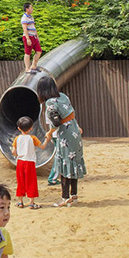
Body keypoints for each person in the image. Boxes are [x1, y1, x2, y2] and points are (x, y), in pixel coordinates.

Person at [37, 76, 86, 207]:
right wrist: (77, 126)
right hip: (74, 130)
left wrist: (49, 133)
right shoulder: (63, 96)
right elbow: (71, 114)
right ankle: (74, 195)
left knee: (64, 164)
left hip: (65, 134)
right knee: (73, 162)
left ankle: (65, 197)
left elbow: (56, 122)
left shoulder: (50, 103)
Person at [11, 116, 48, 209]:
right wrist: (47, 139)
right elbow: (42, 147)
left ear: (19, 128)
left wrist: (17, 155)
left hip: (20, 162)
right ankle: (31, 203)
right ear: (31, 128)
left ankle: (20, 202)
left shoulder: (17, 138)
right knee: (31, 182)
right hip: (30, 163)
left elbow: (13, 152)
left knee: (21, 181)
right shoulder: (33, 138)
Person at [20, 3, 41, 72]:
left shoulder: (31, 17)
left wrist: (37, 36)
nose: (32, 9)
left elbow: (33, 27)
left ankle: (34, 66)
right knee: (28, 52)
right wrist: (28, 39)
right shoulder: (24, 18)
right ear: (27, 9)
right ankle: (27, 68)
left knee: (39, 51)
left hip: (34, 36)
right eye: (31, 8)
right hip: (28, 36)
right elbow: (25, 29)